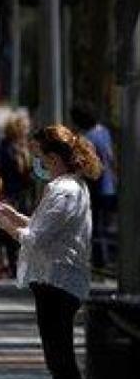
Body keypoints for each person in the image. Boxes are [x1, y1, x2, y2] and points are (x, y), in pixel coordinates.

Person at [0, 124, 101, 379]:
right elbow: (44, 229)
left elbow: (37, 238)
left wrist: (6, 226)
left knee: (62, 361)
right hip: (52, 280)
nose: (36, 163)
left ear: (53, 157)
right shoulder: (64, 188)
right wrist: (15, 216)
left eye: (39, 156)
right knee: (58, 361)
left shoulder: (65, 190)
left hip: (58, 282)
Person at [70, 103, 119, 270]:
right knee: (105, 226)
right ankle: (108, 260)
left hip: (95, 188)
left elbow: (86, 167)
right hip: (110, 187)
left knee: (95, 227)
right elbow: (111, 158)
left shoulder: (86, 139)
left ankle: (101, 262)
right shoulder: (104, 132)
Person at [0, 111, 34, 278]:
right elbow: (3, 171)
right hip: (10, 193)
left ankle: (20, 263)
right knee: (11, 230)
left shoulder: (27, 147)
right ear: (16, 128)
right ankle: (12, 264)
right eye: (24, 126)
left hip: (24, 194)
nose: (27, 129)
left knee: (25, 227)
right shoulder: (6, 147)